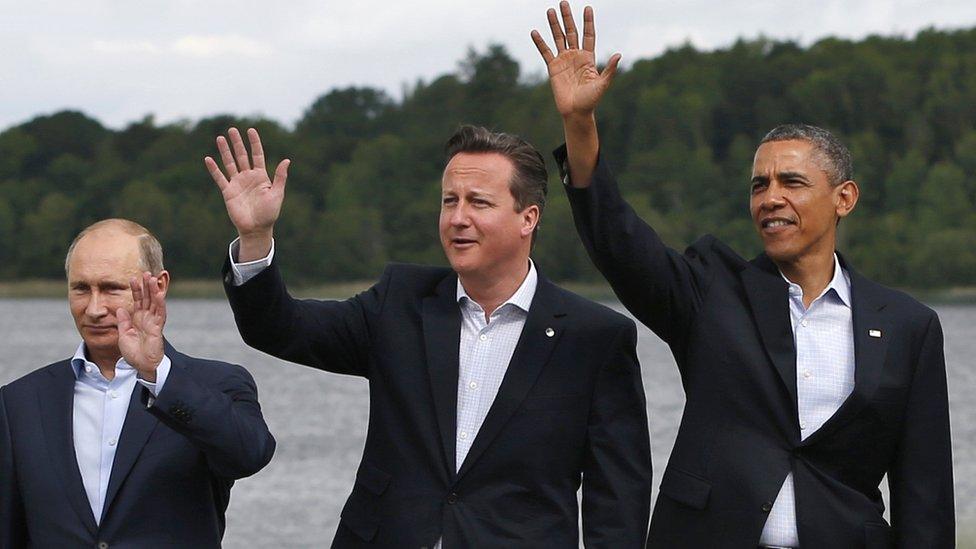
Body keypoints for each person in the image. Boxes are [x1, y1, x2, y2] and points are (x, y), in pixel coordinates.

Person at [531, 3, 954, 548]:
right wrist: (580, 124)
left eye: (792, 182)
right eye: (759, 185)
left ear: (843, 198)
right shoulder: (711, 291)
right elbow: (620, 243)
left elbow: (925, 496)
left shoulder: (907, 326)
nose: (771, 198)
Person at [205, 125, 652, 547]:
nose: (458, 218)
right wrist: (256, 236)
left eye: (478, 202)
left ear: (527, 218)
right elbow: (280, 328)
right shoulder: (399, 303)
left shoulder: (594, 337)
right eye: (448, 201)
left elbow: (617, 503)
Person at [0, 219, 275, 548]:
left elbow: (249, 455)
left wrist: (157, 373)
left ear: (158, 286)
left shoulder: (216, 384)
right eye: (81, 289)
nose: (95, 308)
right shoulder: (19, 402)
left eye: (111, 288)